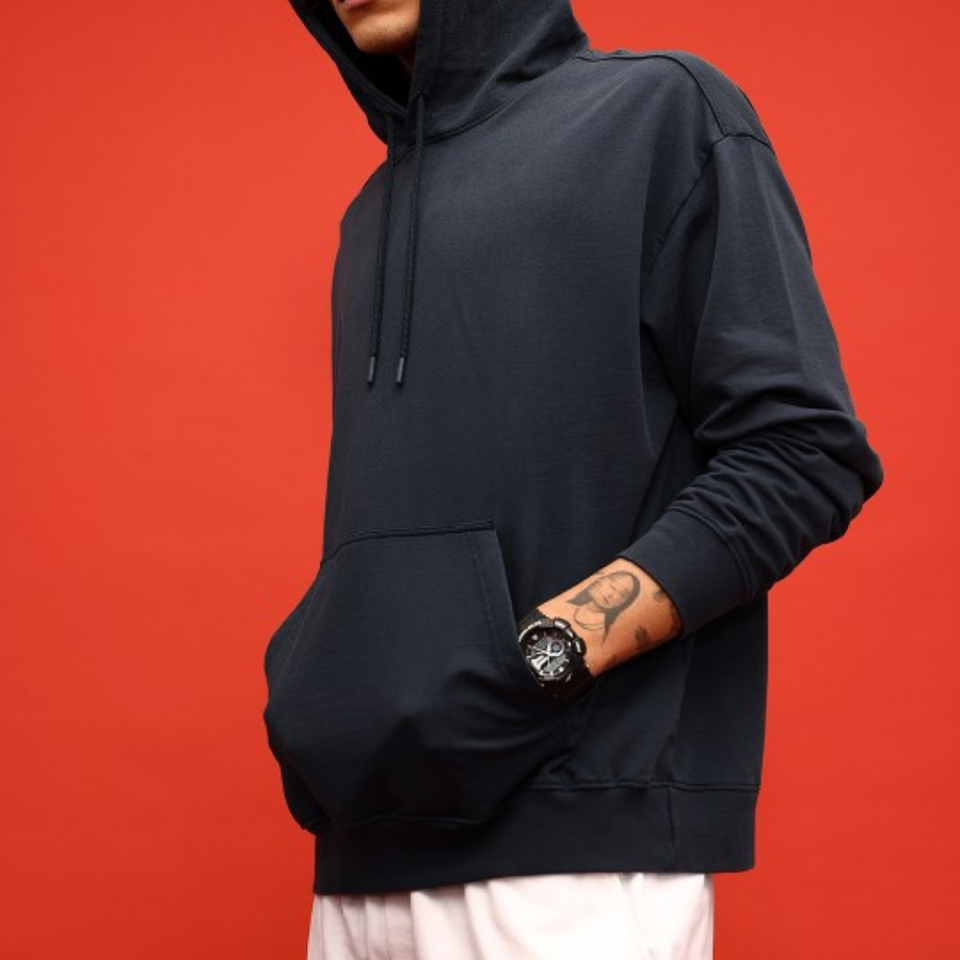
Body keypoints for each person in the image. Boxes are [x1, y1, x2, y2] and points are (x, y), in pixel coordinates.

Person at [261, 1, 885, 957]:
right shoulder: (371, 212)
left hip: (574, 854)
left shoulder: (660, 113)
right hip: (358, 852)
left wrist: (547, 657)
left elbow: (802, 451)